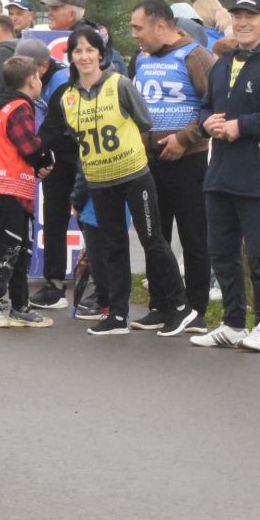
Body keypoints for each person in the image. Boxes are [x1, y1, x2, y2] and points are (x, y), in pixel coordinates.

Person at [44, 25, 191, 336]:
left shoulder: (119, 84)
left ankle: (181, 306)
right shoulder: (68, 98)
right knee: (113, 245)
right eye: (78, 51)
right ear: (70, 56)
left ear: (100, 53)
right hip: (99, 180)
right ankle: (118, 314)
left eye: (89, 50)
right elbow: (77, 139)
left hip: (134, 174)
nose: (84, 56)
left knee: (152, 240)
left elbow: (145, 121)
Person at [188, 0, 260, 351]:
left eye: (251, 16)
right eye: (238, 16)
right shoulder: (221, 64)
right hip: (220, 174)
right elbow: (205, 108)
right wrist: (209, 124)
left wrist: (241, 126)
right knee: (221, 251)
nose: (243, 22)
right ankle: (234, 322)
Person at [130, 0, 215, 321]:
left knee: (193, 234)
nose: (135, 35)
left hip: (187, 160)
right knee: (154, 234)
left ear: (161, 26)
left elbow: (214, 107)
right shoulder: (141, 58)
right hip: (149, 160)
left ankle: (196, 307)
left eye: (139, 28)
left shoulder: (195, 56)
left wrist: (185, 138)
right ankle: (162, 303)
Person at [0, 55, 55, 329]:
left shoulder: (5, 107)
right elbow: (30, 147)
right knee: (8, 247)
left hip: (8, 185)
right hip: (6, 188)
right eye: (38, 77)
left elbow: (16, 150)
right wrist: (46, 159)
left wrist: (36, 166)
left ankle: (20, 306)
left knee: (20, 248)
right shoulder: (20, 107)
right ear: (32, 79)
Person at [32, 0, 95, 308]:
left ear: (71, 13)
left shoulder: (93, 39)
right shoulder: (54, 49)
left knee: (91, 217)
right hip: (61, 150)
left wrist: (38, 148)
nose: (51, 13)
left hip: (86, 150)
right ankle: (54, 283)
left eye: (55, 9)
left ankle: (96, 283)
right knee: (55, 213)